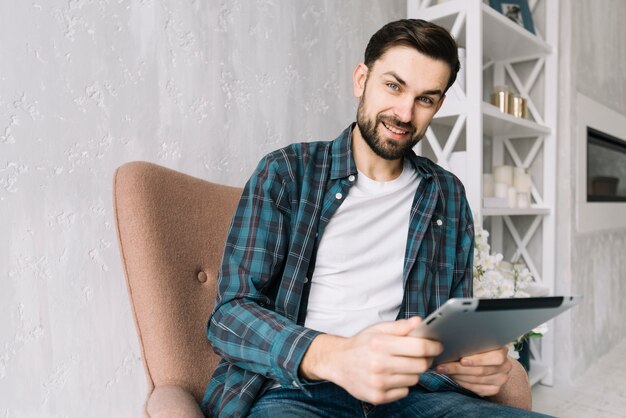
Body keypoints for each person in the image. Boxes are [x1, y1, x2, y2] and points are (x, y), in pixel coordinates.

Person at [202, 19, 549, 418]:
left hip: (417, 395)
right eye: (393, 86)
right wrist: (336, 356)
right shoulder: (286, 172)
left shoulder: (448, 195)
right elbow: (229, 315)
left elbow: (451, 327)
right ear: (361, 79)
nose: (404, 113)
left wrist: (480, 366)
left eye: (426, 99)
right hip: (299, 393)